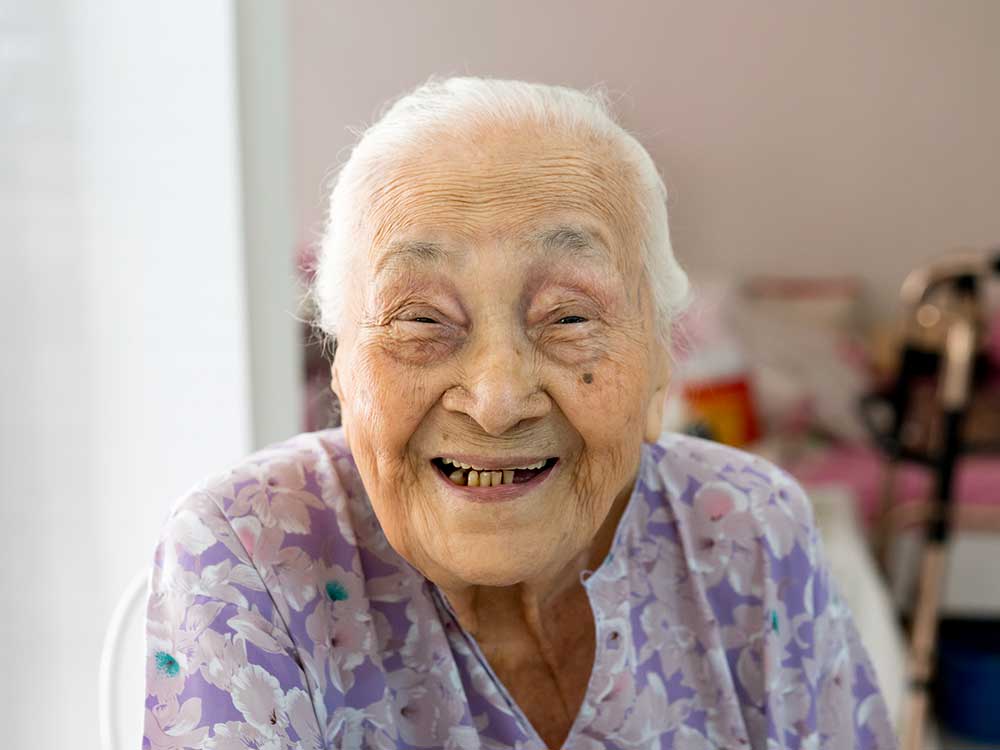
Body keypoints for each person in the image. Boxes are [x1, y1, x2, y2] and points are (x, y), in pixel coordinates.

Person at [142, 76, 897, 750]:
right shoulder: (248, 555)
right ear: (342, 368)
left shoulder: (750, 527)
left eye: (569, 317)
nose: (498, 400)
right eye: (419, 319)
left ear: (661, 361)